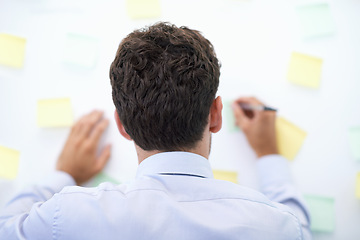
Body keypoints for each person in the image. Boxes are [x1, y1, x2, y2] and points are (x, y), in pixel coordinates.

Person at [0, 22, 311, 239]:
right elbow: (299, 228)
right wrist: (270, 155)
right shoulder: (277, 226)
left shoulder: (66, 215)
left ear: (122, 125)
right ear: (216, 115)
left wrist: (63, 174)